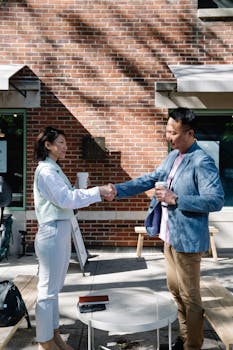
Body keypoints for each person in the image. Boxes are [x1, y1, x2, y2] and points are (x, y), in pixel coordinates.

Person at [114, 108, 224, 350]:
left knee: (190, 297)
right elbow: (150, 178)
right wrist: (117, 190)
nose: (168, 136)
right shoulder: (173, 156)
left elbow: (215, 200)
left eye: (173, 133)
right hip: (170, 237)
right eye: (167, 131)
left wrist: (177, 199)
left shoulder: (202, 161)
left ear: (190, 133)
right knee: (175, 290)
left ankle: (193, 344)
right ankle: (184, 337)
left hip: (188, 240)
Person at [33, 126, 116, 350]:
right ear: (47, 145)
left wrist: (83, 193)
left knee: (55, 288)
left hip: (59, 230)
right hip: (51, 232)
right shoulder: (47, 171)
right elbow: (66, 199)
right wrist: (97, 191)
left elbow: (67, 199)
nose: (65, 147)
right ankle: (45, 341)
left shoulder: (54, 169)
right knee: (47, 290)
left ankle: (54, 334)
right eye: (60, 142)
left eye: (65, 143)